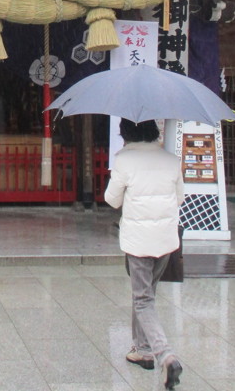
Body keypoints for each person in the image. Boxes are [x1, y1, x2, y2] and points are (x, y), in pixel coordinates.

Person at [104, 118, 184, 389]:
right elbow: (180, 198)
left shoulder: (124, 160)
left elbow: (112, 199)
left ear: (125, 134)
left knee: (142, 300)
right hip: (165, 239)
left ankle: (165, 355)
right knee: (148, 294)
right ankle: (141, 349)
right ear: (153, 132)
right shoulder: (171, 160)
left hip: (138, 241)